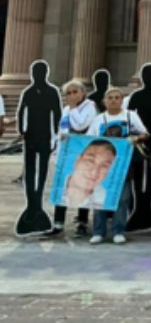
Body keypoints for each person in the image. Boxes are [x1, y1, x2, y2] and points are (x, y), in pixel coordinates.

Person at [86, 87, 149, 245]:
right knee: (100, 197)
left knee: (122, 198)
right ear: (105, 101)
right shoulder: (99, 119)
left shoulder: (130, 116)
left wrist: (135, 139)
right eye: (110, 98)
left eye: (117, 97)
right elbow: (88, 139)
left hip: (122, 164)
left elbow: (145, 134)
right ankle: (99, 232)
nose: (114, 100)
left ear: (122, 100)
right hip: (103, 164)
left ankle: (118, 231)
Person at [50, 79, 97, 237]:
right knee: (61, 187)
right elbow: (62, 128)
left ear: (83, 93)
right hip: (66, 153)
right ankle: (58, 223)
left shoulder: (90, 107)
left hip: (83, 152)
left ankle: (82, 222)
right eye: (68, 93)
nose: (71, 95)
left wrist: (72, 109)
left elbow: (81, 126)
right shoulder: (66, 109)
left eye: (75, 92)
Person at [63, 140, 116, 208]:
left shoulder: (104, 199)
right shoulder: (53, 182)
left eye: (104, 166)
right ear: (77, 160)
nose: (94, 172)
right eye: (90, 161)